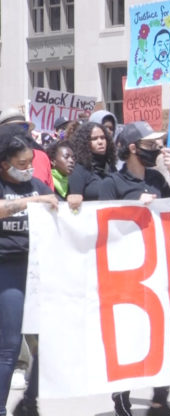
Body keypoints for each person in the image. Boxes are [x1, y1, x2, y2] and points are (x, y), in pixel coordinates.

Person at [98, 122, 170, 416]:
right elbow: (100, 224)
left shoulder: (158, 180)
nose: (157, 149)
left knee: (165, 336)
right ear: (133, 148)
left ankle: (160, 401)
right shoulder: (112, 184)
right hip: (127, 274)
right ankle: (122, 397)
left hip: (158, 269)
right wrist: (134, 206)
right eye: (151, 145)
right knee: (130, 338)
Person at [0, 133, 58, 416]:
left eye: (29, 162)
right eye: (20, 164)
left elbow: (59, 208)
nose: (27, 169)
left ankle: (29, 402)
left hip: (38, 271)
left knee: (45, 343)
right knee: (9, 346)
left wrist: (70, 200)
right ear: (3, 164)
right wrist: (29, 203)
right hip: (7, 269)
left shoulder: (36, 185)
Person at [67, 122, 117, 211]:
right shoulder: (79, 170)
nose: (100, 142)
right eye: (94, 139)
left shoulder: (111, 168)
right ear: (85, 143)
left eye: (102, 137)